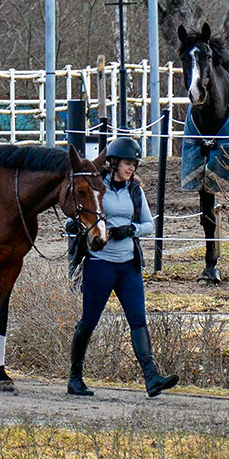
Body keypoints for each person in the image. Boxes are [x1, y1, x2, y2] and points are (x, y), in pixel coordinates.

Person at [67, 137, 179, 398]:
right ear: (114, 163)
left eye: (135, 164)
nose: (132, 168)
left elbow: (150, 225)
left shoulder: (135, 191)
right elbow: (82, 213)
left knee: (138, 320)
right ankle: (75, 378)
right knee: (89, 320)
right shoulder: (99, 187)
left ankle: (151, 378)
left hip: (128, 265)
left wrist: (131, 229)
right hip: (100, 264)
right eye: (128, 163)